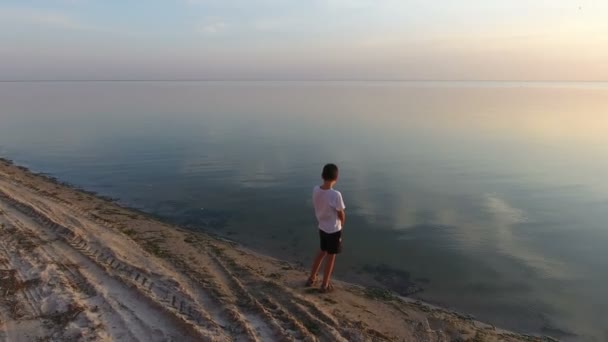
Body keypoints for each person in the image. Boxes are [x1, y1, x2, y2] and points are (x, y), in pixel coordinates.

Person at [306, 163, 346, 292]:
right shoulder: (336, 195)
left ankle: (311, 278)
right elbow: (341, 213)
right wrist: (342, 224)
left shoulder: (316, 189)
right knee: (331, 256)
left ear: (322, 176)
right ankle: (325, 284)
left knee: (322, 251)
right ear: (336, 178)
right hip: (334, 229)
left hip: (322, 227)